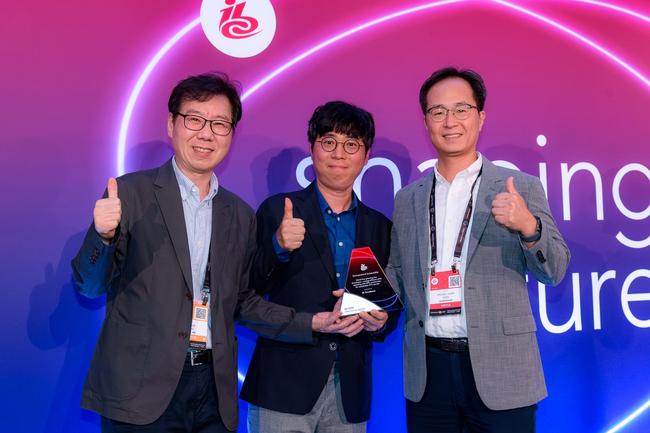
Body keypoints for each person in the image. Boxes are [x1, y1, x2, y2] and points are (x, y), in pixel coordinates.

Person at [72, 73, 341, 432]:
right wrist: (103, 237)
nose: (206, 133)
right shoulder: (130, 193)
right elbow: (89, 286)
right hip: (140, 390)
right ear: (171, 124)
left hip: (213, 391)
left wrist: (314, 322)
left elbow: (242, 302)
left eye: (219, 124)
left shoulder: (239, 214)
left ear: (231, 133)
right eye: (195, 119)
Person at [385, 67, 570, 433]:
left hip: (503, 370)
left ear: (481, 117)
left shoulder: (520, 187)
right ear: (426, 121)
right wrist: (367, 304)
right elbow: (399, 272)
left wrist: (528, 227)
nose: (450, 121)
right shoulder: (407, 199)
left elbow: (556, 270)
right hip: (428, 375)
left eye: (461, 109)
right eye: (438, 111)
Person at [240, 101, 397, 433]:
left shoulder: (380, 227)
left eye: (351, 144)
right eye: (329, 142)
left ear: (366, 155)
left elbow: (389, 304)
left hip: (349, 391)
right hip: (283, 383)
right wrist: (278, 246)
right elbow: (245, 293)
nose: (339, 153)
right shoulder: (277, 210)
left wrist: (381, 321)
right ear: (312, 148)